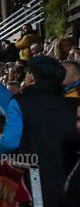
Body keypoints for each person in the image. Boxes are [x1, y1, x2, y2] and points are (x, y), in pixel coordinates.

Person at [16, 55, 80, 205]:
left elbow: (9, 141)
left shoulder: (21, 103)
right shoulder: (69, 102)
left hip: (39, 181)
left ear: (32, 76)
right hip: (60, 179)